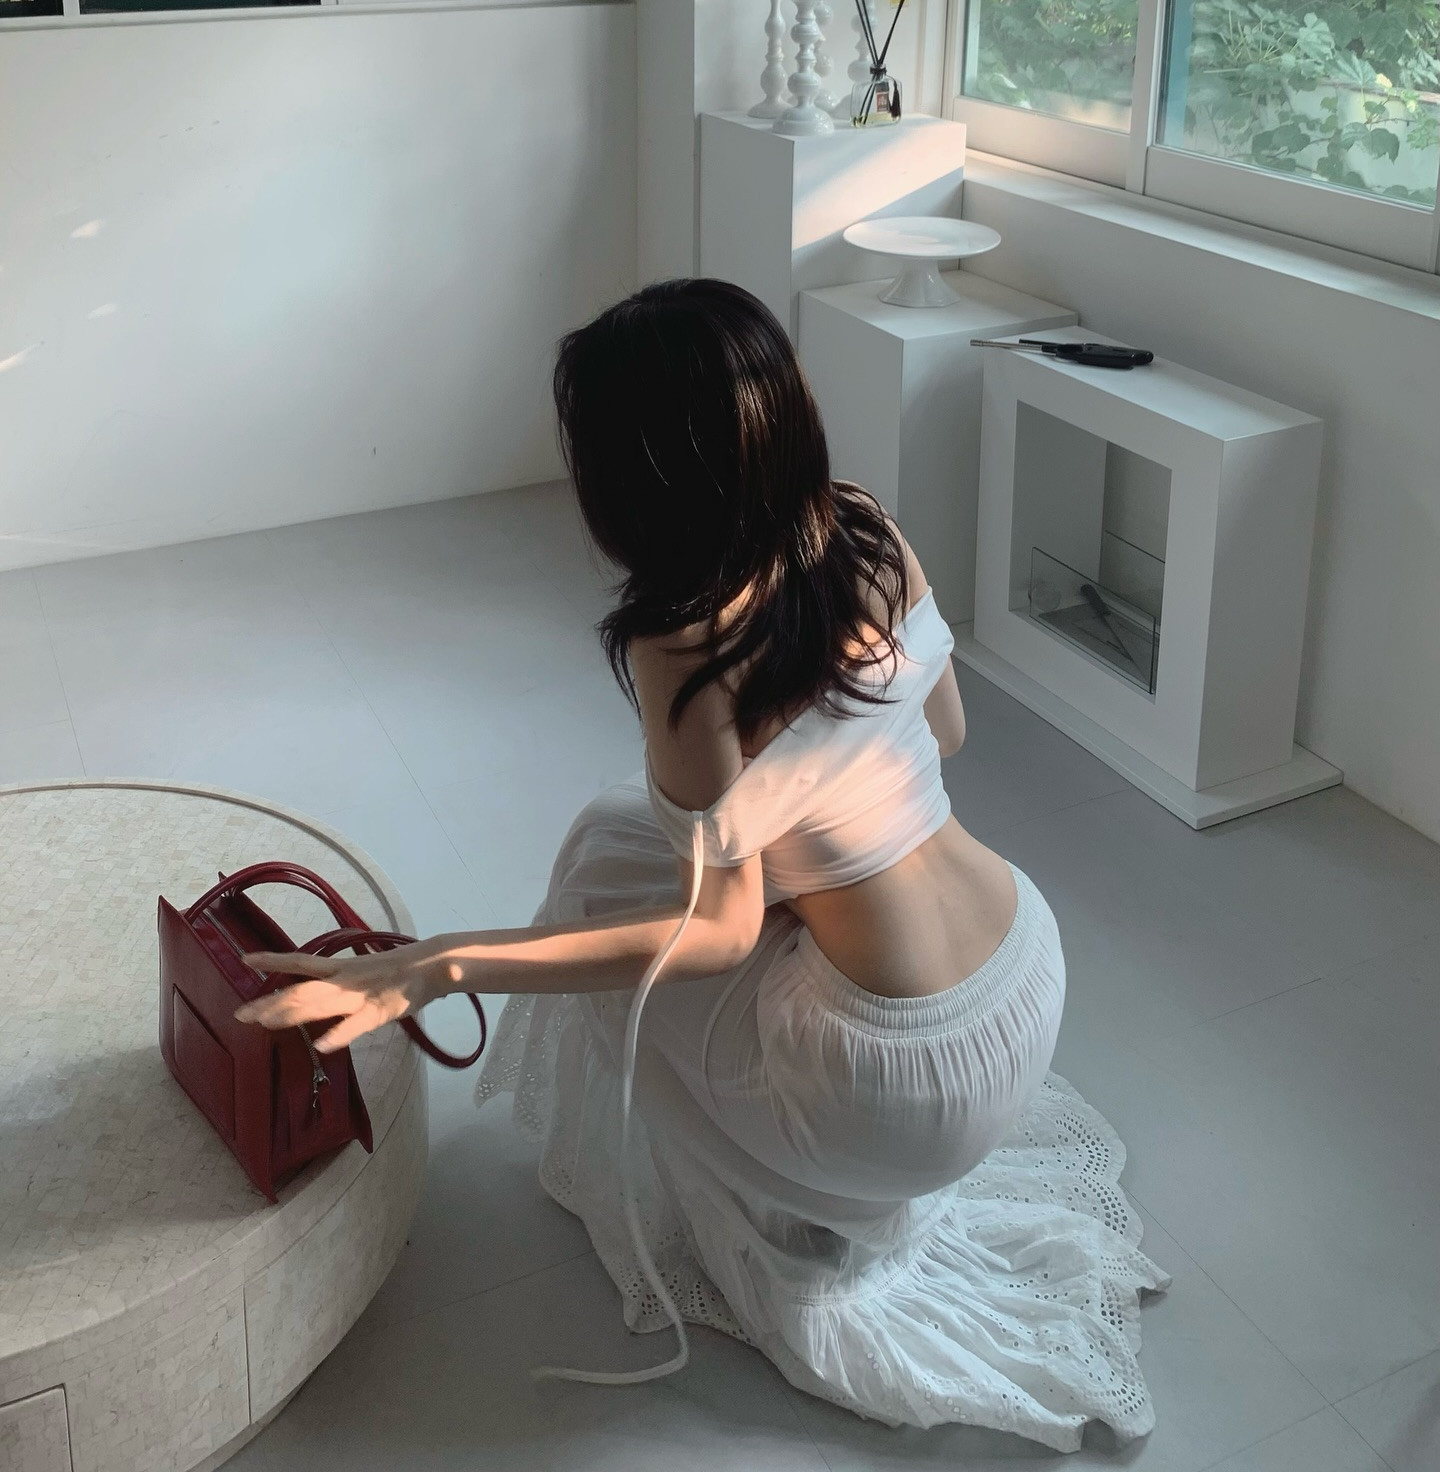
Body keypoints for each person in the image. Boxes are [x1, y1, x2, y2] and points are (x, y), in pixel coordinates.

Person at [236, 279, 1167, 1451]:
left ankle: (784, 1211)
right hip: (1023, 973)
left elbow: (715, 937)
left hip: (894, 1086)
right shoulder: (868, 526)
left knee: (603, 884)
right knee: (618, 835)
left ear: (636, 486)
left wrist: (442, 964)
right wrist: (825, 819)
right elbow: (947, 734)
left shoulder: (684, 643)